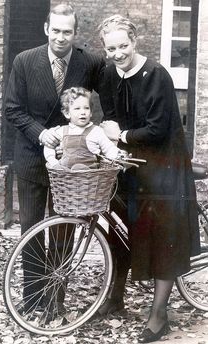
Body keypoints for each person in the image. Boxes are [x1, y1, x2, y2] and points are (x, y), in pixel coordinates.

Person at [97, 14, 200, 343]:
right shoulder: (111, 75)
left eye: (123, 46)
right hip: (134, 164)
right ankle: (116, 297)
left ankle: (158, 316)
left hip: (164, 167)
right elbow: (110, 116)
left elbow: (157, 130)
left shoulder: (156, 75)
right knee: (120, 226)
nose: (117, 53)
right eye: (111, 48)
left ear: (135, 41)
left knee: (162, 239)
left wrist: (121, 135)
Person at [4, 4, 105, 312]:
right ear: (47, 29)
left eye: (68, 32)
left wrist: (99, 132)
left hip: (73, 162)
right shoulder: (25, 61)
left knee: (63, 231)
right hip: (33, 157)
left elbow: (110, 97)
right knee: (31, 229)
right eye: (56, 30)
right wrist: (40, 133)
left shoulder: (89, 63)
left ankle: (55, 300)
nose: (61, 38)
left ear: (76, 33)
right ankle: (32, 298)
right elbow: (12, 109)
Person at [44, 87, 124, 170]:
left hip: (89, 175)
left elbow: (108, 148)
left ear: (91, 113)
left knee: (79, 168)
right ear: (67, 113)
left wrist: (119, 156)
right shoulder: (61, 131)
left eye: (86, 108)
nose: (83, 112)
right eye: (77, 108)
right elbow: (48, 146)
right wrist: (53, 162)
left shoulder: (96, 131)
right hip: (65, 175)